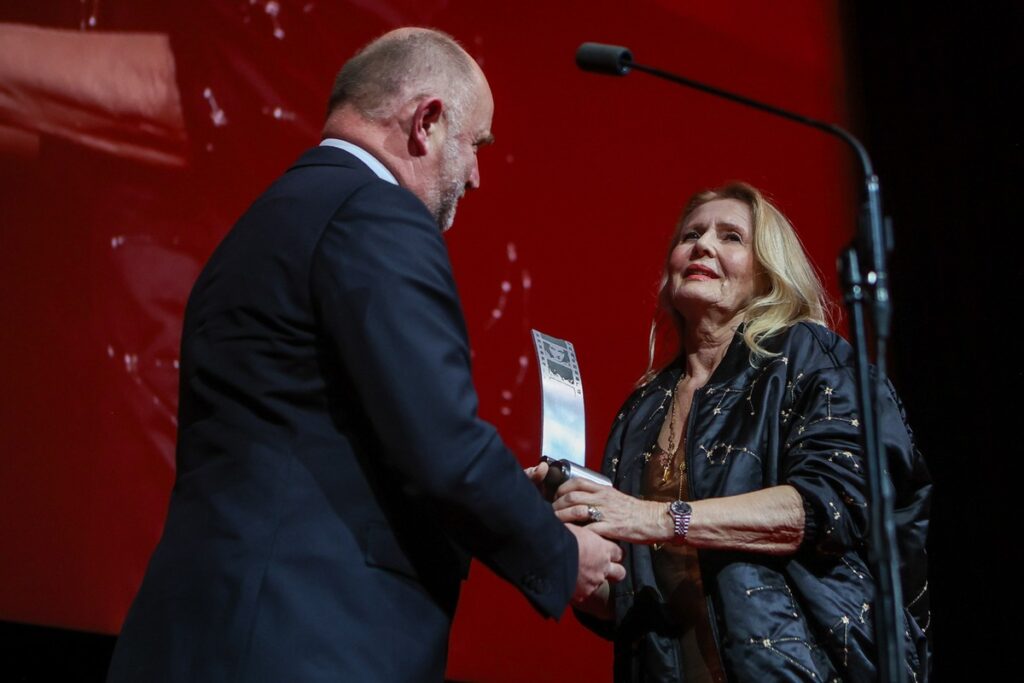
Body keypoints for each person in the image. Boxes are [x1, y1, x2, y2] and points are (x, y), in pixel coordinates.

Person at [106, 27, 624, 682]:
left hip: (206, 631)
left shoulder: (268, 220)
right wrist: (561, 551)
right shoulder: (375, 215)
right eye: (474, 146)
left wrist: (498, 495)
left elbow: (329, 435)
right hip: (302, 643)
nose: (476, 177)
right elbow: (441, 445)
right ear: (427, 122)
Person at [536, 183, 931, 682]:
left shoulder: (806, 355)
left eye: (731, 237)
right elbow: (629, 600)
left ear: (767, 272)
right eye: (691, 235)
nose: (703, 246)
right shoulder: (642, 408)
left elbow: (828, 506)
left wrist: (655, 517)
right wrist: (561, 546)